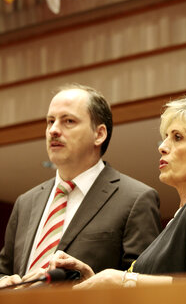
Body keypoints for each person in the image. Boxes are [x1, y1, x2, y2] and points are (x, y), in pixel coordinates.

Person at [49, 92, 186, 288]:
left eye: (177, 137)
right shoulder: (182, 217)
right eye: (166, 137)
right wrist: (96, 280)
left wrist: (123, 280)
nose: (162, 146)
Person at [0, 84, 161, 288]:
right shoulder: (26, 202)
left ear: (99, 134)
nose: (54, 130)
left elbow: (143, 285)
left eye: (68, 121)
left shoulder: (136, 198)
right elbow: (3, 269)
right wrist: (5, 281)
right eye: (50, 121)